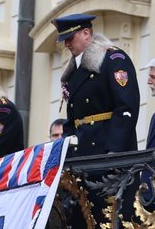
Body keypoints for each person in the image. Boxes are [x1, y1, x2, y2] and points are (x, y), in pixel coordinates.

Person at [53, 13, 140, 157]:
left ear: (86, 34)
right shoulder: (73, 70)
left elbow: (126, 107)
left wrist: (115, 149)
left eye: (70, 38)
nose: (66, 44)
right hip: (82, 152)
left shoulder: (113, 59)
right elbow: (73, 118)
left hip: (106, 149)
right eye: (64, 40)